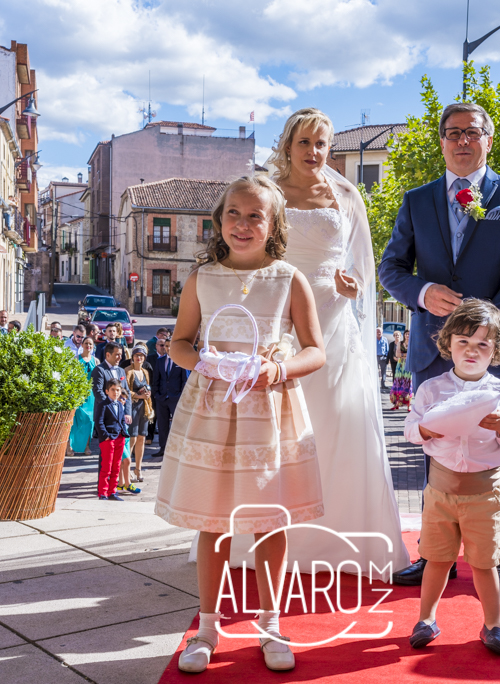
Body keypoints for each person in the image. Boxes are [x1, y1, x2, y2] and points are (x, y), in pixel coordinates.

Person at [227, 110, 408, 584]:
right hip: (278, 325)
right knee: (274, 433)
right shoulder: (264, 191)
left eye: (322, 144)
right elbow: (246, 251)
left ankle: (335, 536)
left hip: (333, 324)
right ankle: (263, 537)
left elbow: (361, 273)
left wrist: (352, 288)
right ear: (288, 143)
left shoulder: (346, 194)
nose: (314, 152)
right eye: (305, 142)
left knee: (338, 422)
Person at [155, 175, 326, 674]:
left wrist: (277, 368)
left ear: (273, 224)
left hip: (268, 411)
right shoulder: (201, 278)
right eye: (234, 213)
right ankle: (207, 626)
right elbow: (180, 343)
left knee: (269, 521)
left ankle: (271, 624)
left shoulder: (288, 278)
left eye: (256, 215)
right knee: (215, 521)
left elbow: (316, 351)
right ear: (219, 220)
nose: (244, 224)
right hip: (212, 410)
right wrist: (205, 363)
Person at [379, 101, 500, 597]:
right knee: (436, 460)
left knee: (497, 456)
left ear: (487, 140)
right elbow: (392, 268)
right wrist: (420, 293)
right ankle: (437, 556)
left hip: (493, 353)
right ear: (441, 141)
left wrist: (490, 322)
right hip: (434, 353)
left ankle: (496, 560)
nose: (461, 141)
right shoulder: (417, 200)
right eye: (451, 133)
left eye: (470, 132)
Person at [404, 299, 500, 656]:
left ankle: (492, 625)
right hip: (440, 489)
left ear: (497, 350)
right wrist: (425, 429)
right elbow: (411, 428)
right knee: (436, 558)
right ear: (448, 344)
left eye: (482, 345)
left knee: (485, 563)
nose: (471, 351)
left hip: (484, 492)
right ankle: (426, 618)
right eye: (463, 342)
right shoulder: (431, 389)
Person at [92, 342, 134, 473]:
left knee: (118, 453)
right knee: (105, 452)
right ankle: (103, 484)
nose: (119, 358)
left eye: (121, 355)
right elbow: (98, 392)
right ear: (108, 354)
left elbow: (126, 392)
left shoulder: (121, 370)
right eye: (117, 355)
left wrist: (127, 412)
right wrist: (112, 406)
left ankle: (115, 483)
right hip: (105, 417)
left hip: (120, 418)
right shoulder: (99, 370)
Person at [151, 337, 186, 459]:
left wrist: (180, 395)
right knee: (162, 424)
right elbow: (156, 379)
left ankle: (176, 449)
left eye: (170, 346)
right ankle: (163, 448)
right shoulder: (160, 361)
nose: (168, 348)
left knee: (177, 424)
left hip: (175, 397)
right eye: (166, 346)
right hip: (162, 398)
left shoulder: (180, 361)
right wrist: (156, 394)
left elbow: (184, 380)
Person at [94, 378, 129, 501]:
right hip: (108, 439)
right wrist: (106, 436)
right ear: (107, 391)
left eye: (118, 390)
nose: (115, 392)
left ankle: (112, 492)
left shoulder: (119, 404)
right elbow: (98, 422)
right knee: (106, 467)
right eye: (113, 390)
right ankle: (102, 493)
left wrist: (123, 432)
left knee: (116, 466)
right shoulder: (103, 404)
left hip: (119, 438)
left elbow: (122, 420)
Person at [123, 344, 152, 487]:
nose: (139, 358)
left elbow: (148, 388)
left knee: (142, 437)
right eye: (136, 355)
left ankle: (138, 469)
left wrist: (147, 396)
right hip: (132, 407)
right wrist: (139, 396)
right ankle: (126, 470)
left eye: (141, 356)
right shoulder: (128, 371)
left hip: (143, 408)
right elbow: (125, 391)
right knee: (132, 439)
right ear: (132, 357)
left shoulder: (145, 372)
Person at [69, 337, 98, 456]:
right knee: (75, 420)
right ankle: (70, 446)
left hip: (91, 395)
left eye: (90, 344)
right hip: (78, 392)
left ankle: (87, 446)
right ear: (82, 344)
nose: (88, 346)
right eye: (86, 343)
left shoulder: (96, 361)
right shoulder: (76, 359)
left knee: (89, 421)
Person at [390, 330, 412, 409]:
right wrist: (406, 355)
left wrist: (403, 355)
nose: (407, 335)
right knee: (398, 383)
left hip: (409, 365)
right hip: (400, 365)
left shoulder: (412, 344)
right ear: (404, 335)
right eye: (406, 334)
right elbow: (397, 354)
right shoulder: (400, 343)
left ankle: (408, 405)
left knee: (408, 384)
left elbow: (412, 355)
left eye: (409, 334)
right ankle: (396, 403)